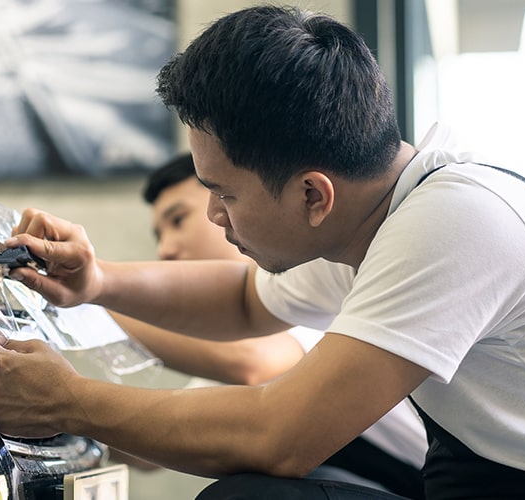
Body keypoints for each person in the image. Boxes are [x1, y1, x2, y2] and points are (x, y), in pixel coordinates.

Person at [0, 5, 525, 499]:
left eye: (224, 195)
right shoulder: (383, 210)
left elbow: (279, 435)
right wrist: (97, 282)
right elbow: (245, 301)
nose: (216, 216)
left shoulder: (453, 224)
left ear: (314, 196)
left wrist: (70, 403)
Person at [108, 153, 427, 496]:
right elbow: (153, 448)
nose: (165, 250)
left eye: (179, 220)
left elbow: (251, 362)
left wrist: (84, 304)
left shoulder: (305, 287)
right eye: (159, 235)